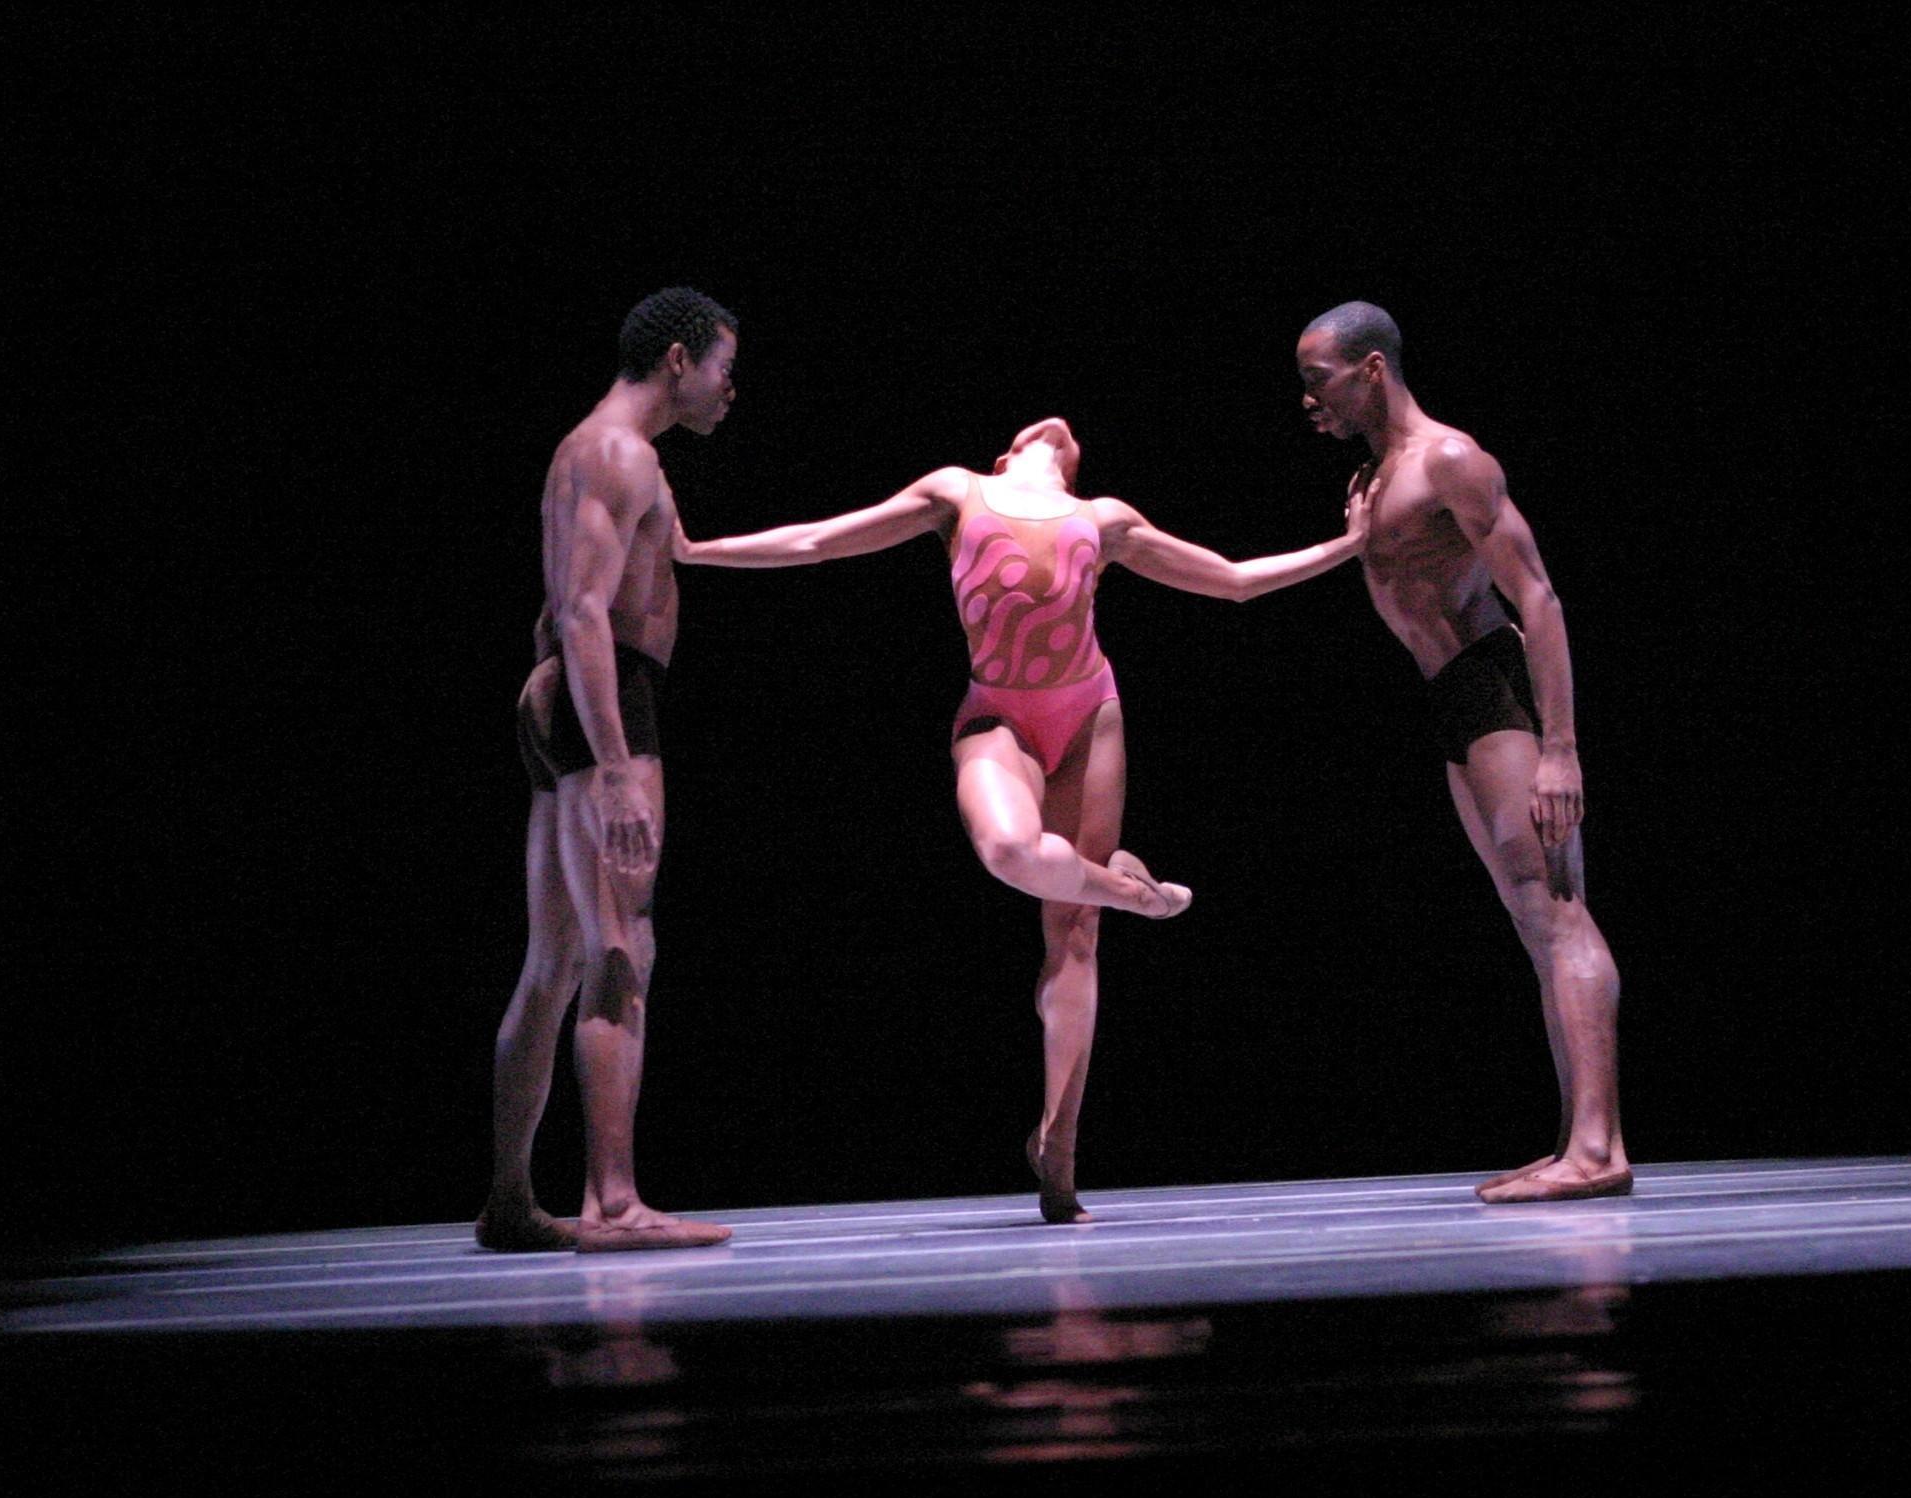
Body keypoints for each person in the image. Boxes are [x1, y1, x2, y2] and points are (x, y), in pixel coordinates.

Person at [677, 418, 1367, 1221]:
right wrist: (697, 551)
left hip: (1088, 716)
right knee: (1008, 846)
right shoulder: (956, 490)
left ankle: (1060, 1142)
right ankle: (1127, 888)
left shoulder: (1104, 518)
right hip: (997, 716)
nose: (1057, 427)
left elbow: (1234, 580)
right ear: (1005, 452)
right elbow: (818, 543)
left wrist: (1345, 546)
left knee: (1073, 933)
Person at [1297, 301, 1630, 1202]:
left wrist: (1559, 750)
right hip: (1451, 699)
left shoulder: (1446, 458)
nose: (1307, 400)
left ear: (1371, 369)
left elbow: (1539, 596)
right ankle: (1577, 1142)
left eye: (1317, 378)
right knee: (1531, 920)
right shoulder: (1374, 481)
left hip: (1495, 689)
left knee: (1556, 908)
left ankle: (1599, 1147)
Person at [477, 287, 741, 1253]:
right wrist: (619, 765)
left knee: (553, 961)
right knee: (620, 946)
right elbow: (584, 610)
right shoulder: (617, 452)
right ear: (677, 359)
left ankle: (510, 1200)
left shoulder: (600, 452)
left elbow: (572, 603)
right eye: (722, 368)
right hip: (607, 704)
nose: (728, 389)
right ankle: (615, 1201)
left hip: (574, 702)